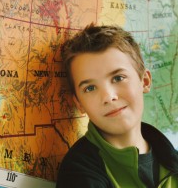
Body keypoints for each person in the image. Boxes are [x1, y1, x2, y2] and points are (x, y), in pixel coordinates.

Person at [56, 23, 178, 188]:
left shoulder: (172, 159)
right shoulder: (78, 172)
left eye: (118, 78)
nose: (108, 96)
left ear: (145, 81)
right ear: (79, 103)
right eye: (90, 88)